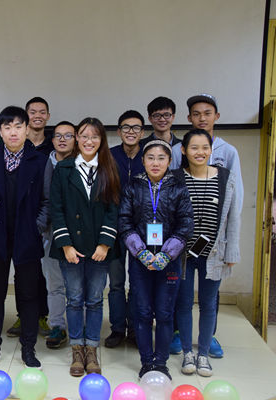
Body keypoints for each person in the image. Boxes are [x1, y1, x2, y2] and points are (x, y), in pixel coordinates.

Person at [169, 93, 243, 359]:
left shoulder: (227, 160)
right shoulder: (176, 166)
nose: (202, 118)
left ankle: (207, 338)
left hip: (214, 247)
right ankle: (182, 339)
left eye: (207, 113)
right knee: (183, 299)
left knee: (209, 300)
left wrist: (231, 248)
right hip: (184, 250)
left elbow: (233, 207)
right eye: (197, 114)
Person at [0, 106, 48, 370]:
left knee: (28, 294)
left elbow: (47, 201)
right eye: (7, 127)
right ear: (0, 131)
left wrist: (36, 227)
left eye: (18, 126)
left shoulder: (40, 160)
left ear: (27, 129)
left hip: (27, 236)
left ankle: (28, 347)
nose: (13, 132)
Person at [50, 117, 121, 376]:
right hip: (71, 248)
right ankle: (76, 349)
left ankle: (91, 348)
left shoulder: (108, 168)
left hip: (99, 249)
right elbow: (56, 210)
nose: (89, 141)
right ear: (77, 139)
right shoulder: (64, 168)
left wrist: (105, 244)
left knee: (94, 300)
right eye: (84, 136)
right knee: (74, 299)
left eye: (95, 136)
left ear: (101, 140)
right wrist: (66, 245)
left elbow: (114, 209)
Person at [119, 139, 194, 380]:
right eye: (150, 157)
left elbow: (186, 225)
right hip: (139, 261)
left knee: (164, 313)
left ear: (169, 161)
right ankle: (146, 362)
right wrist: (141, 252)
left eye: (161, 158)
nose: (155, 162)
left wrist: (165, 254)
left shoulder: (179, 188)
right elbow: (124, 222)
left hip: (168, 263)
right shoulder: (132, 187)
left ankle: (160, 363)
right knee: (141, 312)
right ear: (142, 160)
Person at [6, 97, 52, 339]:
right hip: (15, 226)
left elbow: (48, 196)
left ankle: (41, 315)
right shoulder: (11, 149)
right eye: (32, 112)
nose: (37, 116)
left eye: (42, 112)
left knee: (40, 274)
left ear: (48, 116)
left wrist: (38, 226)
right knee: (22, 273)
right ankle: (23, 316)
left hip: (40, 224)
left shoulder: (50, 148)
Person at [106, 110, 146, 348]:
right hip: (115, 228)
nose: (131, 132)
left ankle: (136, 328)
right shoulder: (109, 156)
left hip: (142, 230)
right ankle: (117, 328)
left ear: (142, 132)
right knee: (116, 283)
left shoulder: (149, 155)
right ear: (119, 131)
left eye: (136, 127)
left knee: (138, 283)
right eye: (126, 127)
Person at [41, 121, 76, 349]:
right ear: (52, 140)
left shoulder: (83, 164)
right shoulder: (43, 163)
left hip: (77, 233)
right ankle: (57, 326)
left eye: (68, 135)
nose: (62, 140)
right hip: (50, 231)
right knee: (54, 283)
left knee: (76, 285)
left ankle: (77, 326)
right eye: (58, 136)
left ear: (76, 139)